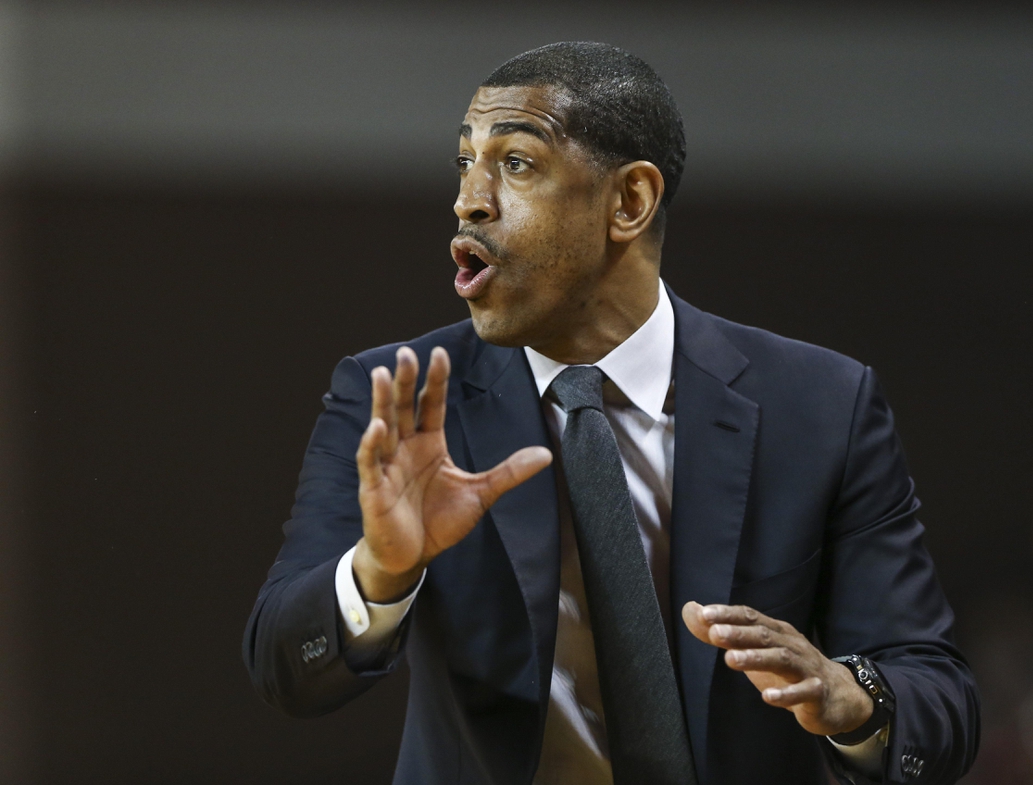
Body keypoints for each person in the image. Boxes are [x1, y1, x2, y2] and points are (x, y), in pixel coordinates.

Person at [243, 42, 980, 785]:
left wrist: (851, 697)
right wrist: (381, 569)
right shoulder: (397, 396)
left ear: (629, 201)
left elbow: (938, 697)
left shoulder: (821, 404)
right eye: (464, 162)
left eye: (517, 163)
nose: (470, 197)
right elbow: (283, 664)